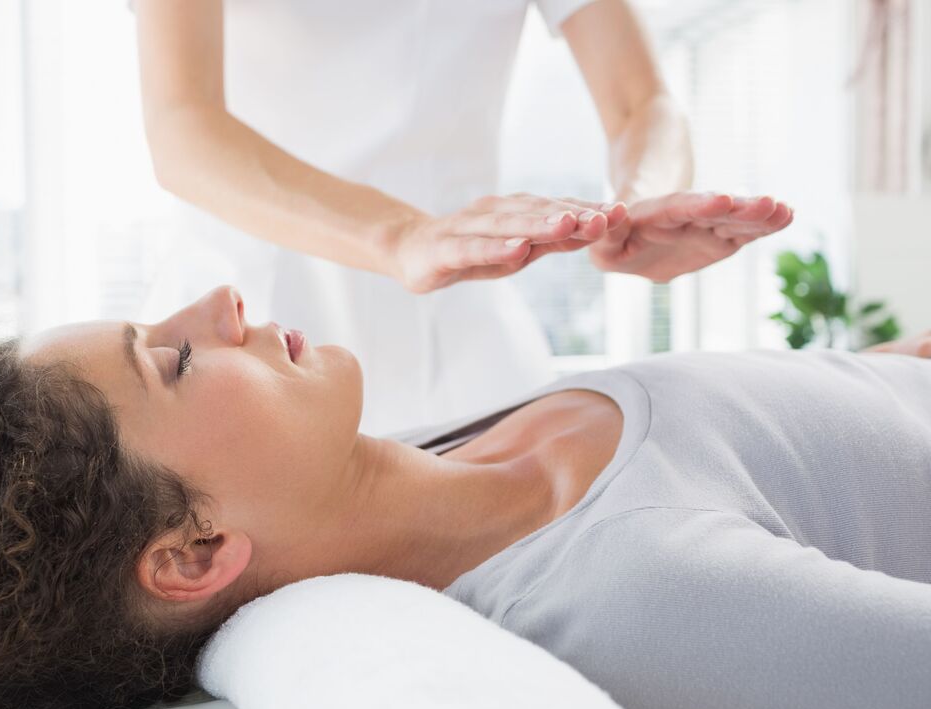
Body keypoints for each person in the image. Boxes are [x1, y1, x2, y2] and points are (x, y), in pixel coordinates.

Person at [0, 285, 931, 709]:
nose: (219, 306)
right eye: (173, 360)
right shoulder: (638, 596)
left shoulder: (431, 447)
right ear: (192, 551)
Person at [132, 0, 794, 435]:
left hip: (463, 334)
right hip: (244, 328)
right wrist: (401, 236)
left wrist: (637, 205)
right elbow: (184, 127)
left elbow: (642, 103)